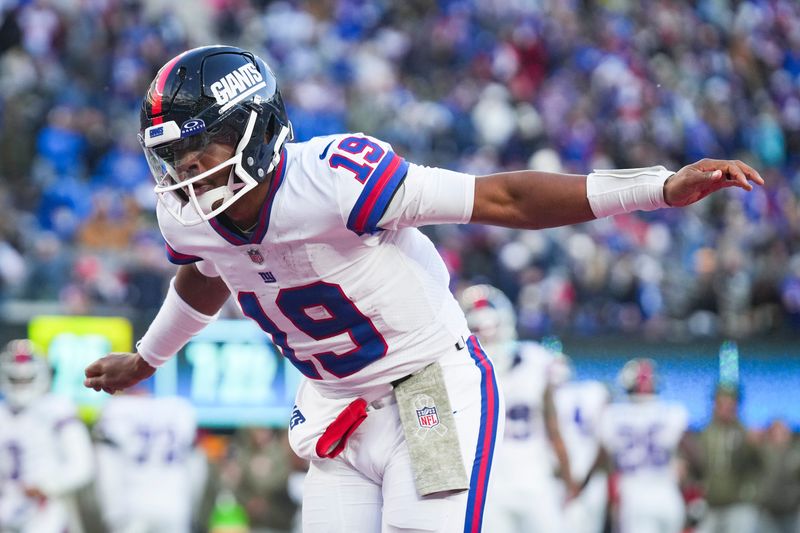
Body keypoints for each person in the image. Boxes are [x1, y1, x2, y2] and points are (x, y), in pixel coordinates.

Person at [82, 45, 763, 532]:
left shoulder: (338, 179)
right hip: (335, 408)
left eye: (196, 154)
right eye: (172, 160)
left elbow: (504, 198)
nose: (183, 176)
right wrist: (149, 358)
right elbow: (207, 272)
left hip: (427, 391)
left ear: (252, 132)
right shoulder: (187, 215)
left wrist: (656, 187)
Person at [459, 283, 575, 532]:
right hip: (526, 482)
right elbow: (554, 430)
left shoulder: (462, 370)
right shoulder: (536, 359)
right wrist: (569, 479)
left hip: (495, 484)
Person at [0, 339, 94, 533]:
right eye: (15, 380)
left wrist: (46, 485)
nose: (21, 385)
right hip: (7, 508)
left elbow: (82, 465)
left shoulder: (56, 409)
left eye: (27, 379)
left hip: (47, 510)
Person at [591, 358, 689, 533]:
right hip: (668, 496)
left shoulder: (612, 415)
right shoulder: (672, 413)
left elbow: (602, 458)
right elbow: (693, 456)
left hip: (634, 498)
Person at [92, 389, 204, 533]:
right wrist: (191, 510)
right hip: (174, 505)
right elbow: (196, 469)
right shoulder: (180, 408)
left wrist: (112, 514)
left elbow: (107, 470)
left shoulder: (116, 409)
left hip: (131, 506)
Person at [552, 354, 611, 533]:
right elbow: (604, 444)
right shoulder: (595, 391)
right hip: (592, 481)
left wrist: (570, 481)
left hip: (561, 480)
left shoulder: (553, 397)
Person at [694, 384, 762, 533]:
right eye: (721, 402)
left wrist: (756, 446)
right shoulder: (705, 433)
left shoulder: (745, 433)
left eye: (730, 403)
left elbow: (760, 466)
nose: (725, 407)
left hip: (738, 504)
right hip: (711, 504)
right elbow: (697, 468)